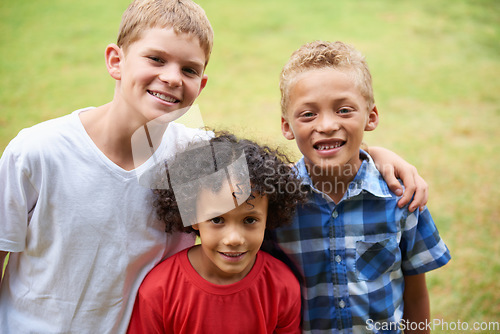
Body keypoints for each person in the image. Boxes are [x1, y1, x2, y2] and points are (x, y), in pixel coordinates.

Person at [0, 0, 430, 332]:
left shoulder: (198, 158)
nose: (171, 77)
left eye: (188, 69)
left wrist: (377, 156)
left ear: (201, 84)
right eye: (155, 59)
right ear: (115, 60)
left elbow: (290, 162)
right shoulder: (37, 153)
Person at [272, 40, 451, 333]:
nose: (327, 125)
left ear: (371, 116)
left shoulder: (401, 197)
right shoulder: (276, 203)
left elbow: (415, 294)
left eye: (344, 110)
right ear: (286, 126)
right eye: (308, 114)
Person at [127, 133, 306, 333]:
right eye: (217, 220)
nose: (233, 239)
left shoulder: (282, 285)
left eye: (250, 220)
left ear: (269, 216)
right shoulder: (159, 290)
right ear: (192, 216)